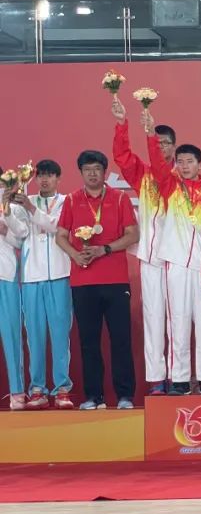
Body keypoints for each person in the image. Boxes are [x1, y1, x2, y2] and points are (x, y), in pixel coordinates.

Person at [55, 149, 139, 410]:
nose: (92, 174)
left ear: (105, 172)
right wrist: (75, 255)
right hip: (83, 281)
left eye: (97, 169)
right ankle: (94, 397)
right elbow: (60, 235)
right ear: (81, 172)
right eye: (87, 169)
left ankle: (125, 396)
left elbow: (133, 234)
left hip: (115, 280)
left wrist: (105, 249)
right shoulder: (72, 200)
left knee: (121, 339)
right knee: (88, 342)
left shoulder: (120, 198)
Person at [146, 109, 201, 396]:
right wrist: (150, 135)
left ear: (200, 164)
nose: (185, 166)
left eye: (190, 162)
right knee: (177, 321)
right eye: (181, 162)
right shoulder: (170, 186)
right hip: (175, 264)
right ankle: (179, 378)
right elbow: (156, 163)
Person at [111, 97, 173, 396]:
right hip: (151, 257)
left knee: (180, 321)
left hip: (182, 260)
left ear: (174, 147)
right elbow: (122, 157)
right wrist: (122, 124)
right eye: (156, 143)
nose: (160, 148)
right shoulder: (143, 176)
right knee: (153, 318)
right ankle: (157, 379)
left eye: (165, 143)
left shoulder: (184, 177)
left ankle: (181, 377)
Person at [9, 160, 74, 409]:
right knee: (34, 337)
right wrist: (8, 210)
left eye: (50, 175)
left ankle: (62, 389)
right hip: (31, 277)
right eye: (41, 176)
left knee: (60, 335)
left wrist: (29, 207)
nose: (44, 180)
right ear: (34, 179)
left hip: (60, 274)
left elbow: (56, 226)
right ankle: (37, 389)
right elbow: (20, 234)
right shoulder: (24, 202)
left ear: (58, 178)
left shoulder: (67, 202)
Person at [0, 186, 28, 409]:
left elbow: (21, 241)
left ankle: (17, 392)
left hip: (5, 274)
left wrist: (4, 231)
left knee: (11, 334)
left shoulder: (13, 208)